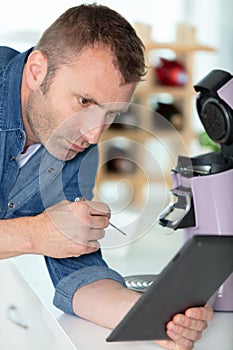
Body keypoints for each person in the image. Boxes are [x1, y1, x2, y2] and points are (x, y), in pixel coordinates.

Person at [0, 4, 213, 349]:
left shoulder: (76, 145)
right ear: (37, 70)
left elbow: (78, 271)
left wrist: (152, 317)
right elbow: (40, 236)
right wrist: (34, 234)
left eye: (110, 114)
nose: (94, 135)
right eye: (84, 102)